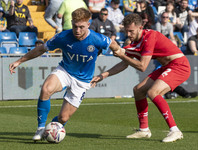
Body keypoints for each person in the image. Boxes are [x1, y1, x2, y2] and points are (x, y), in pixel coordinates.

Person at [9, 7, 121, 142]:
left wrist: (123, 53)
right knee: (46, 89)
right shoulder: (63, 36)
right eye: (75, 26)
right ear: (71, 23)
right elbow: (41, 49)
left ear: (88, 24)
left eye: (81, 27)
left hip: (82, 81)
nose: (77, 30)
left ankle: (53, 128)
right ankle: (40, 129)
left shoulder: (98, 39)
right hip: (65, 71)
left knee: (63, 118)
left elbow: (116, 47)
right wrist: (19, 61)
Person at [91, 13, 190, 143]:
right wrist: (103, 75)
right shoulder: (136, 42)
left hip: (179, 66)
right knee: (138, 90)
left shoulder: (150, 36)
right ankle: (144, 130)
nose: (128, 34)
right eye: (126, 31)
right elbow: (124, 63)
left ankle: (175, 130)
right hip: (167, 66)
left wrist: (121, 54)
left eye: (131, 31)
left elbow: (142, 66)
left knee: (153, 92)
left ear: (140, 27)